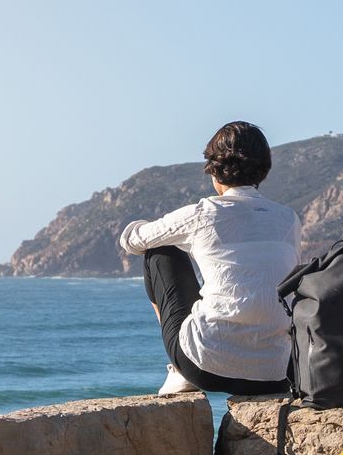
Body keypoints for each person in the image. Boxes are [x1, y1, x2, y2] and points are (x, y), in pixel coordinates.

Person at [118, 121, 302, 396]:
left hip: (204, 366)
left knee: (159, 250)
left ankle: (179, 371)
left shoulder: (203, 213)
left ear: (214, 170)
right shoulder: (288, 219)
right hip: (275, 373)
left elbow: (132, 241)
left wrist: (155, 227)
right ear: (264, 170)